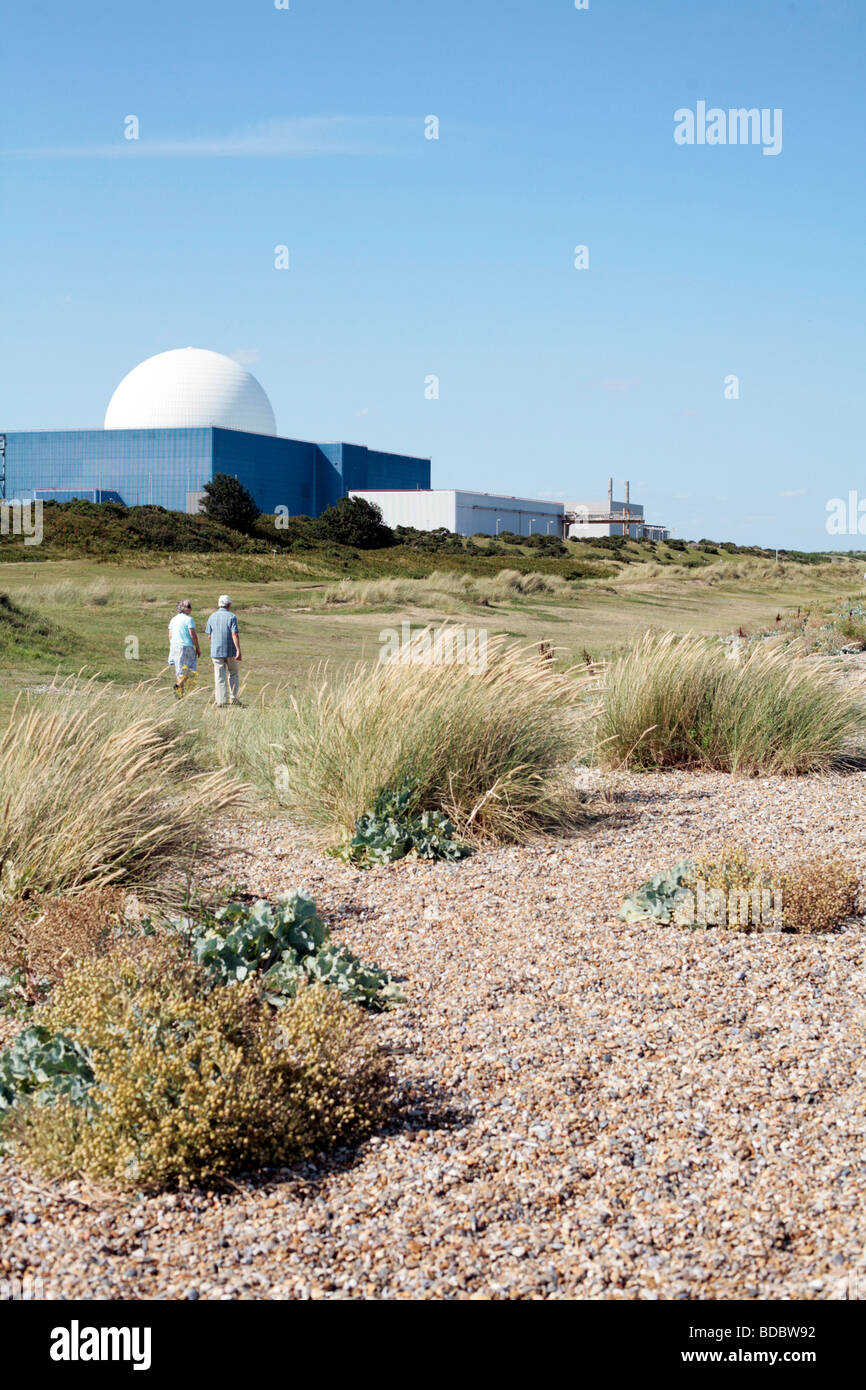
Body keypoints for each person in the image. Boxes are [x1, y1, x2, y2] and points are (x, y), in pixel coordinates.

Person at [205, 594, 243, 707]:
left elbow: (209, 635)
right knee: (233, 673)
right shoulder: (231, 617)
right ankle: (233, 698)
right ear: (229, 605)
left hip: (216, 651)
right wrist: (238, 650)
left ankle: (221, 700)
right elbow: (234, 634)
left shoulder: (212, 616)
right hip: (230, 650)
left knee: (219, 675)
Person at [167, 599, 200, 699]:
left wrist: (173, 646)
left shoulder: (173, 619)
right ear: (185, 609)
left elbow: (170, 635)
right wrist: (197, 647)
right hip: (186, 646)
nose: (191, 609)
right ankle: (178, 685)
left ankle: (180, 694)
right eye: (189, 607)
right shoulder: (189, 619)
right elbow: (192, 634)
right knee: (191, 669)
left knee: (179, 670)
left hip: (174, 646)